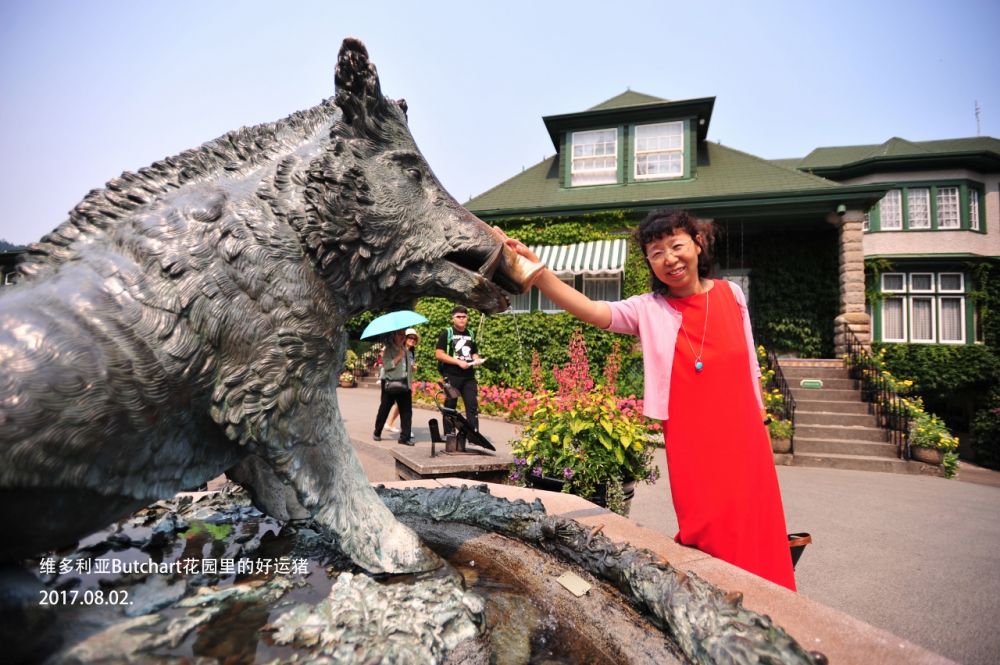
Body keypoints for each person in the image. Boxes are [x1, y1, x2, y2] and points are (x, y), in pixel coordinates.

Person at [500, 209, 796, 591]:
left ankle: (771, 600)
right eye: (656, 253)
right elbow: (593, 310)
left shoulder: (732, 294)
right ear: (649, 263)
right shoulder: (647, 309)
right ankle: (719, 602)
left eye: (676, 246)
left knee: (757, 521)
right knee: (707, 528)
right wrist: (540, 274)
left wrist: (761, 418)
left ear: (697, 244)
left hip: (744, 433)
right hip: (692, 441)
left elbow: (752, 364)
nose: (669, 258)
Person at [435, 305, 480, 443]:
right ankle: (450, 435)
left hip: (468, 376)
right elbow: (439, 354)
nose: (461, 319)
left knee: (472, 406)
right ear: (453, 318)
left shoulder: (471, 334)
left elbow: (474, 352)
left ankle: (473, 436)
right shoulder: (447, 333)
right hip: (451, 375)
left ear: (467, 318)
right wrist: (458, 362)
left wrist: (476, 359)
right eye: (458, 317)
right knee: (450, 405)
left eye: (464, 317)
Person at [372, 328, 414, 445]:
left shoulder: (405, 350)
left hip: (404, 384)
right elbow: (386, 366)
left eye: (404, 335)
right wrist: (399, 357)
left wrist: (409, 384)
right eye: (400, 334)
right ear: (394, 335)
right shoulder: (389, 349)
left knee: (407, 412)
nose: (402, 337)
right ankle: (377, 432)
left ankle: (405, 438)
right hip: (390, 383)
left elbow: (407, 369)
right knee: (384, 409)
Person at [386, 328, 419, 433]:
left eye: (414, 338)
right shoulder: (399, 349)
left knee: (400, 405)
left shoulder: (411, 352)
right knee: (403, 406)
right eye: (410, 337)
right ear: (405, 338)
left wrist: (412, 368)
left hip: (406, 381)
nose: (412, 340)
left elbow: (408, 367)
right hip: (398, 380)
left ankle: (389, 424)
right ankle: (405, 430)